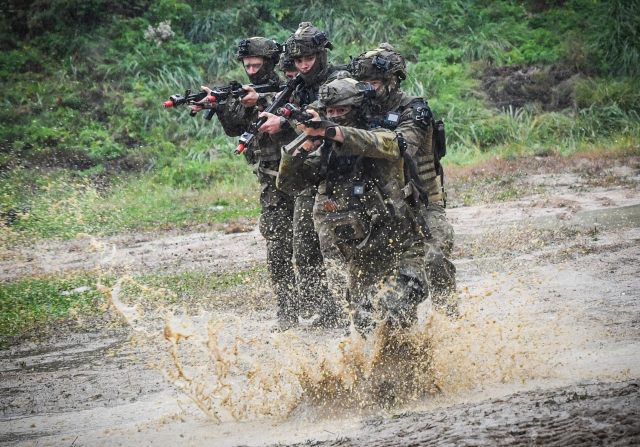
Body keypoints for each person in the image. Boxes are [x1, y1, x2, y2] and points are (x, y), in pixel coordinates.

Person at [277, 76, 430, 334]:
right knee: (363, 324)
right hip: (361, 253)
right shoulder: (325, 150)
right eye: (330, 112)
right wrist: (305, 144)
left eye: (342, 111)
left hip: (401, 243)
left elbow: (388, 146)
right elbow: (289, 183)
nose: (335, 116)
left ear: (357, 109)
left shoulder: (379, 133)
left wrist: (331, 131)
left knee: (399, 305)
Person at [189, 37, 300, 330]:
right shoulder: (246, 92)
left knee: (308, 245)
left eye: (256, 64)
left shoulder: (292, 87)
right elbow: (236, 128)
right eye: (246, 65)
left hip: (302, 178)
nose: (251, 70)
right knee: (277, 245)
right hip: (270, 182)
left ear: (270, 63)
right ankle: (287, 311)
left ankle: (324, 307)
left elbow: (300, 119)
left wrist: (262, 101)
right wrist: (220, 104)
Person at [348, 44, 457, 313]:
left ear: (393, 80)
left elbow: (400, 145)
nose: (368, 89)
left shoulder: (415, 111)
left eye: (374, 82)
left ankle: (448, 314)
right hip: (381, 207)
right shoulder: (358, 110)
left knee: (435, 258)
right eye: (363, 83)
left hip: (424, 203)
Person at [258, 23, 343, 328]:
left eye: (309, 58)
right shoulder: (299, 85)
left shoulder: (340, 81)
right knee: (305, 250)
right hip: (310, 178)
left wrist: (286, 122)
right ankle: (326, 312)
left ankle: (348, 311)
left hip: (339, 176)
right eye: (298, 61)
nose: (304, 65)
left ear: (321, 53)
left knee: (337, 251)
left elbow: (318, 123)